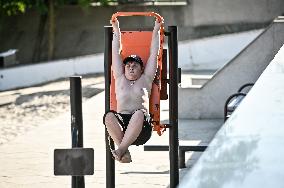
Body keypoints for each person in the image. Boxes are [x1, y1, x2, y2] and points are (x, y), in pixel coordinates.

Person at [103, 18, 162, 163]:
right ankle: (124, 150)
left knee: (138, 113)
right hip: (122, 124)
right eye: (128, 65)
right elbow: (115, 53)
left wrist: (156, 29)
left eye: (135, 65)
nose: (130, 67)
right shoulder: (120, 78)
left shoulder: (146, 78)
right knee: (108, 117)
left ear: (142, 69)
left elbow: (154, 52)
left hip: (141, 127)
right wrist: (116, 28)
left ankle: (121, 150)